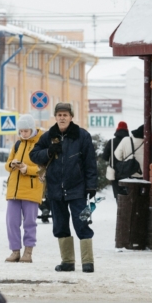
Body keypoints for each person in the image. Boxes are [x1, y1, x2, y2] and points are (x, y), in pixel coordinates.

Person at [30, 102, 98, 273]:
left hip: (77, 189)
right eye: (59, 115)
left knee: (82, 224)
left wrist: (91, 186)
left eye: (65, 115)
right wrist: (48, 152)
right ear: (56, 117)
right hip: (55, 189)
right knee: (60, 225)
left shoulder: (82, 136)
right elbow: (33, 155)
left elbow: (90, 163)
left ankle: (87, 262)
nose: (62, 118)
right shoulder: (48, 136)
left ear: (71, 117)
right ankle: (67, 262)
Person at [4, 114, 44, 263]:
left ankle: (28, 252)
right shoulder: (17, 144)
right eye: (21, 131)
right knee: (12, 222)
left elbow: (43, 169)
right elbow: (7, 164)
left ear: (32, 129)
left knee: (29, 222)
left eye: (26, 131)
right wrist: (12, 165)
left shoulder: (40, 144)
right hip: (14, 190)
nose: (23, 134)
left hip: (32, 190)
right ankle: (15, 251)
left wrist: (27, 168)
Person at [100, 121, 129, 199]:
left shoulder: (111, 142)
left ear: (117, 130)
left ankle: (120, 210)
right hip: (128, 172)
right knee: (128, 196)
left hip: (115, 173)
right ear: (127, 130)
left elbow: (105, 157)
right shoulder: (130, 142)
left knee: (118, 196)